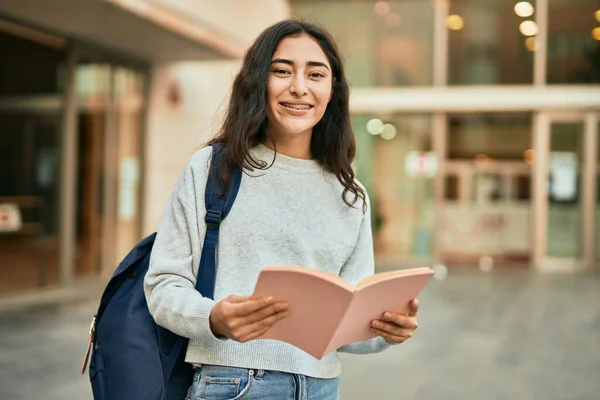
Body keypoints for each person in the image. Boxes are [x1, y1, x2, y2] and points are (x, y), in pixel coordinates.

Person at [144, 18, 420, 400]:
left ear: (332, 90)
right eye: (282, 71)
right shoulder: (213, 169)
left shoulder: (350, 193)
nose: (299, 88)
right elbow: (162, 285)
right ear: (259, 81)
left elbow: (344, 329)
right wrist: (214, 318)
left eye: (316, 74)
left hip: (321, 386)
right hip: (233, 383)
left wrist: (386, 332)